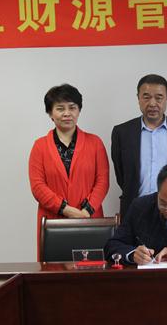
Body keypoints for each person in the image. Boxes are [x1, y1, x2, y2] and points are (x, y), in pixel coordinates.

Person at [29, 84, 109, 259]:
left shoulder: (95, 143)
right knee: (54, 270)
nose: (67, 113)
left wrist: (86, 211)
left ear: (79, 110)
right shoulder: (39, 146)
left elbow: (102, 181)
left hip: (89, 220)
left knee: (91, 268)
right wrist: (66, 209)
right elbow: (37, 187)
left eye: (72, 107)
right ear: (50, 113)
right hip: (53, 222)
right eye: (60, 108)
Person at [111, 74, 167, 221]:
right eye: (146, 97)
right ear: (138, 98)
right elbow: (122, 175)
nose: (152, 103)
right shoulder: (122, 132)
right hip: (135, 210)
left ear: (166, 98)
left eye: (159, 98)